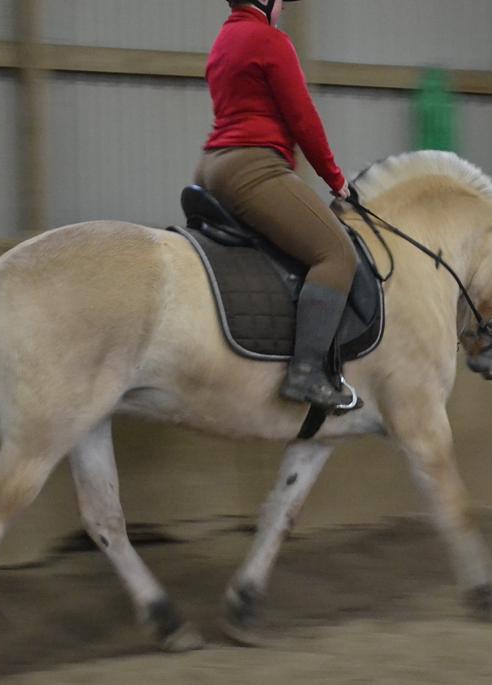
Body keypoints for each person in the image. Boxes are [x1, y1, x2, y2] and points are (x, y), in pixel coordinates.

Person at [196, 0, 357, 409]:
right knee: (337, 254)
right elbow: (303, 119)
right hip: (253, 166)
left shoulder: (223, 39)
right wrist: (336, 180)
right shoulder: (270, 41)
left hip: (212, 165)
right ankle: (305, 373)